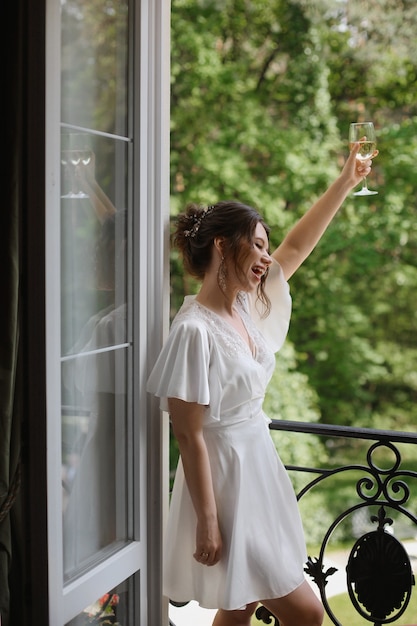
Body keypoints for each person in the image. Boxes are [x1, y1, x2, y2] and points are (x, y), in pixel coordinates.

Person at [147, 143, 376, 626]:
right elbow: (187, 433)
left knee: (241, 607)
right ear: (221, 246)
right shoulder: (193, 329)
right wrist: (208, 519)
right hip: (224, 482)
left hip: (258, 470)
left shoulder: (249, 305)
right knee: (307, 615)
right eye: (256, 244)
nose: (267, 257)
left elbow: (296, 247)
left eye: (265, 246)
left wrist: (344, 182)